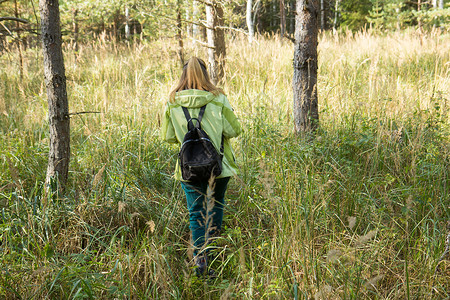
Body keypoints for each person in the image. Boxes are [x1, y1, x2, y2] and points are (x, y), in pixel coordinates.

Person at [161, 57, 242, 276]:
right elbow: (234, 130)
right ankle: (214, 253)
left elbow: (168, 137)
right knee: (215, 208)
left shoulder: (172, 101)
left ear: (183, 75)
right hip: (219, 168)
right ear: (206, 75)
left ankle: (201, 261)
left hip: (188, 169)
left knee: (196, 214)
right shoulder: (219, 99)